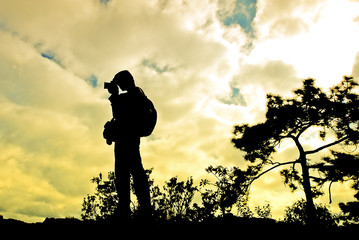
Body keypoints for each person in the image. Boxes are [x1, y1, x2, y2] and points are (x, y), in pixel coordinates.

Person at [106, 70, 152, 222]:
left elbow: (120, 115)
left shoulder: (134, 95)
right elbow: (119, 116)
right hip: (124, 140)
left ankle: (141, 210)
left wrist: (114, 96)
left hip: (128, 141)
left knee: (131, 175)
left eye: (119, 82)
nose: (118, 86)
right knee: (124, 176)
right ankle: (131, 210)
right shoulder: (135, 95)